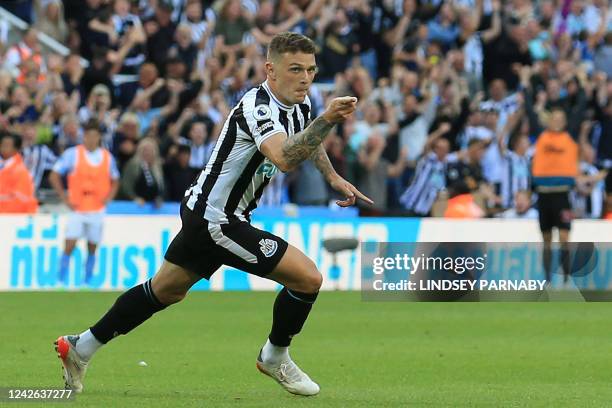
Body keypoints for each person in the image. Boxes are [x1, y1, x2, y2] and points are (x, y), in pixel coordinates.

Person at [54, 32, 371, 397]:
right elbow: (284, 157)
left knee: (165, 290)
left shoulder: (299, 104)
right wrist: (329, 119)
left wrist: (331, 176)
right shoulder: (259, 106)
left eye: (311, 70)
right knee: (308, 279)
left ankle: (81, 347)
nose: (305, 78)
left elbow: (306, 139)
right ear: (270, 70)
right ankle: (274, 355)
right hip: (218, 219)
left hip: (205, 211)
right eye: (295, 69)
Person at [49, 119, 120, 286]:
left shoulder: (106, 157)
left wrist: (108, 198)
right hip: (78, 208)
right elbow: (54, 175)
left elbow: (115, 180)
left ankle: (87, 281)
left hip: (97, 208)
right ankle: (60, 280)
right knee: (70, 243)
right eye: (88, 135)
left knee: (92, 246)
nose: (91, 139)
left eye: (95, 135)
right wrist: (65, 198)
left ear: (99, 137)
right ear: (84, 136)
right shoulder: (72, 154)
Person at [531, 108, 579, 284]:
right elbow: (531, 113)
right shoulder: (541, 137)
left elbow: (579, 109)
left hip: (562, 195)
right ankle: (548, 279)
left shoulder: (569, 138)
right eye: (554, 118)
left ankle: (566, 277)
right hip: (544, 195)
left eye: (560, 119)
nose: (557, 122)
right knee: (547, 239)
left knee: (565, 237)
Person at [0, 132, 38, 213]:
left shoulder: (20, 171)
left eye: (6, 145)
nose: (2, 147)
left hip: (12, 217)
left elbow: (21, 199)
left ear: (16, 149)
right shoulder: (4, 166)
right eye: (2, 144)